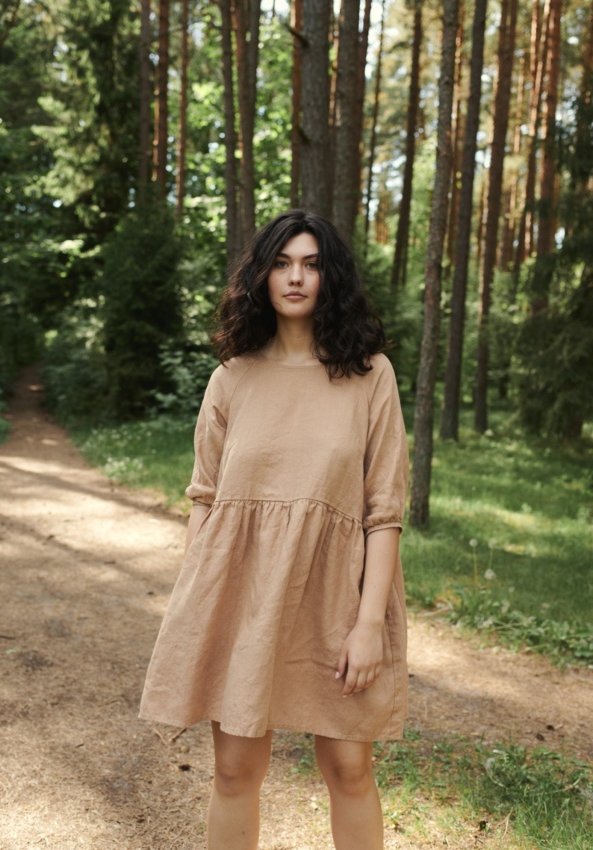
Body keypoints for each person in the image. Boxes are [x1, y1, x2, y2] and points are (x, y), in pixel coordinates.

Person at [140, 209, 409, 850]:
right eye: (282, 263)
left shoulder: (370, 375)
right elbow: (204, 499)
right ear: (261, 277)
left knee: (349, 766)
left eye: (312, 264)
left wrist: (369, 624)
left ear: (330, 278)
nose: (296, 278)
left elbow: (384, 511)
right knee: (235, 770)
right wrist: (196, 604)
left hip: (339, 599)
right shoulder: (231, 378)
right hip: (240, 595)